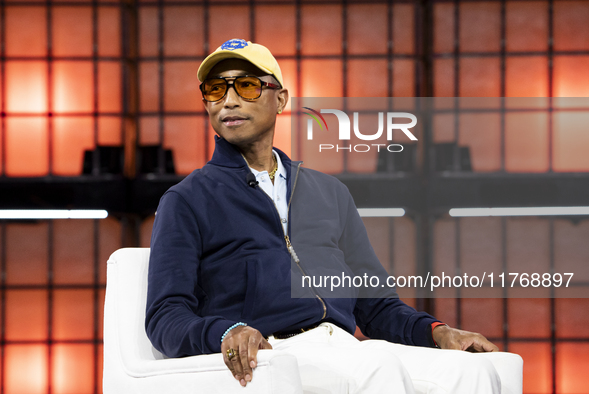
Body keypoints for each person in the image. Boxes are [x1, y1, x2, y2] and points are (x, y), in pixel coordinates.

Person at [145, 38, 504, 393]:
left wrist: (436, 331)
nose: (229, 100)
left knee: (471, 372)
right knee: (378, 366)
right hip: (274, 354)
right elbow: (165, 316)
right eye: (215, 89)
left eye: (248, 85)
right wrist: (227, 332)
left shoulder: (329, 192)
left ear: (280, 99)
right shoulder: (187, 199)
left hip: (344, 347)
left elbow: (374, 303)